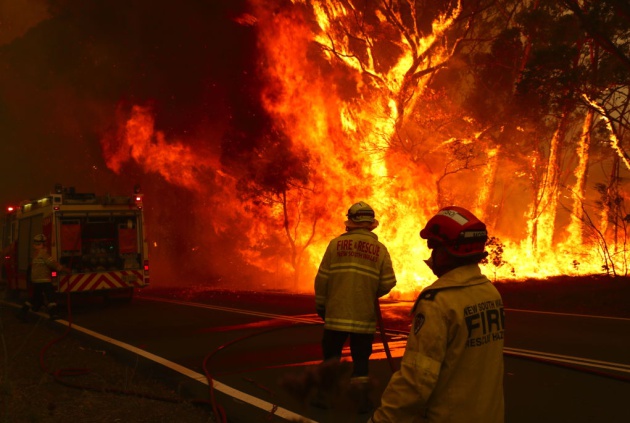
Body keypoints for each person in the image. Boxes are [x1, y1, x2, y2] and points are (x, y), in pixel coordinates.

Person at [368, 206, 505, 423]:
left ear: (449, 251)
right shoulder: (490, 293)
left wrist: (383, 419)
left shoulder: (439, 302)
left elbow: (417, 379)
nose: (432, 255)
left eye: (434, 247)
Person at [313, 201, 397, 412]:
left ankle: (324, 398)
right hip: (363, 318)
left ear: (350, 222)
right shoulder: (380, 250)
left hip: (335, 315)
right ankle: (361, 401)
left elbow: (322, 279)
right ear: (370, 225)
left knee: (331, 358)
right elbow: (389, 281)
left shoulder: (335, 245)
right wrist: (370, 291)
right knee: (361, 361)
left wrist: (322, 305)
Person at [19, 234, 68, 320]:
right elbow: (52, 263)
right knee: (51, 296)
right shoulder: (43, 253)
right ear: (43, 243)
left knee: (34, 297)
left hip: (36, 280)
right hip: (44, 280)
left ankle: (22, 313)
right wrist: (64, 269)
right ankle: (53, 314)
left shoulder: (35, 253)